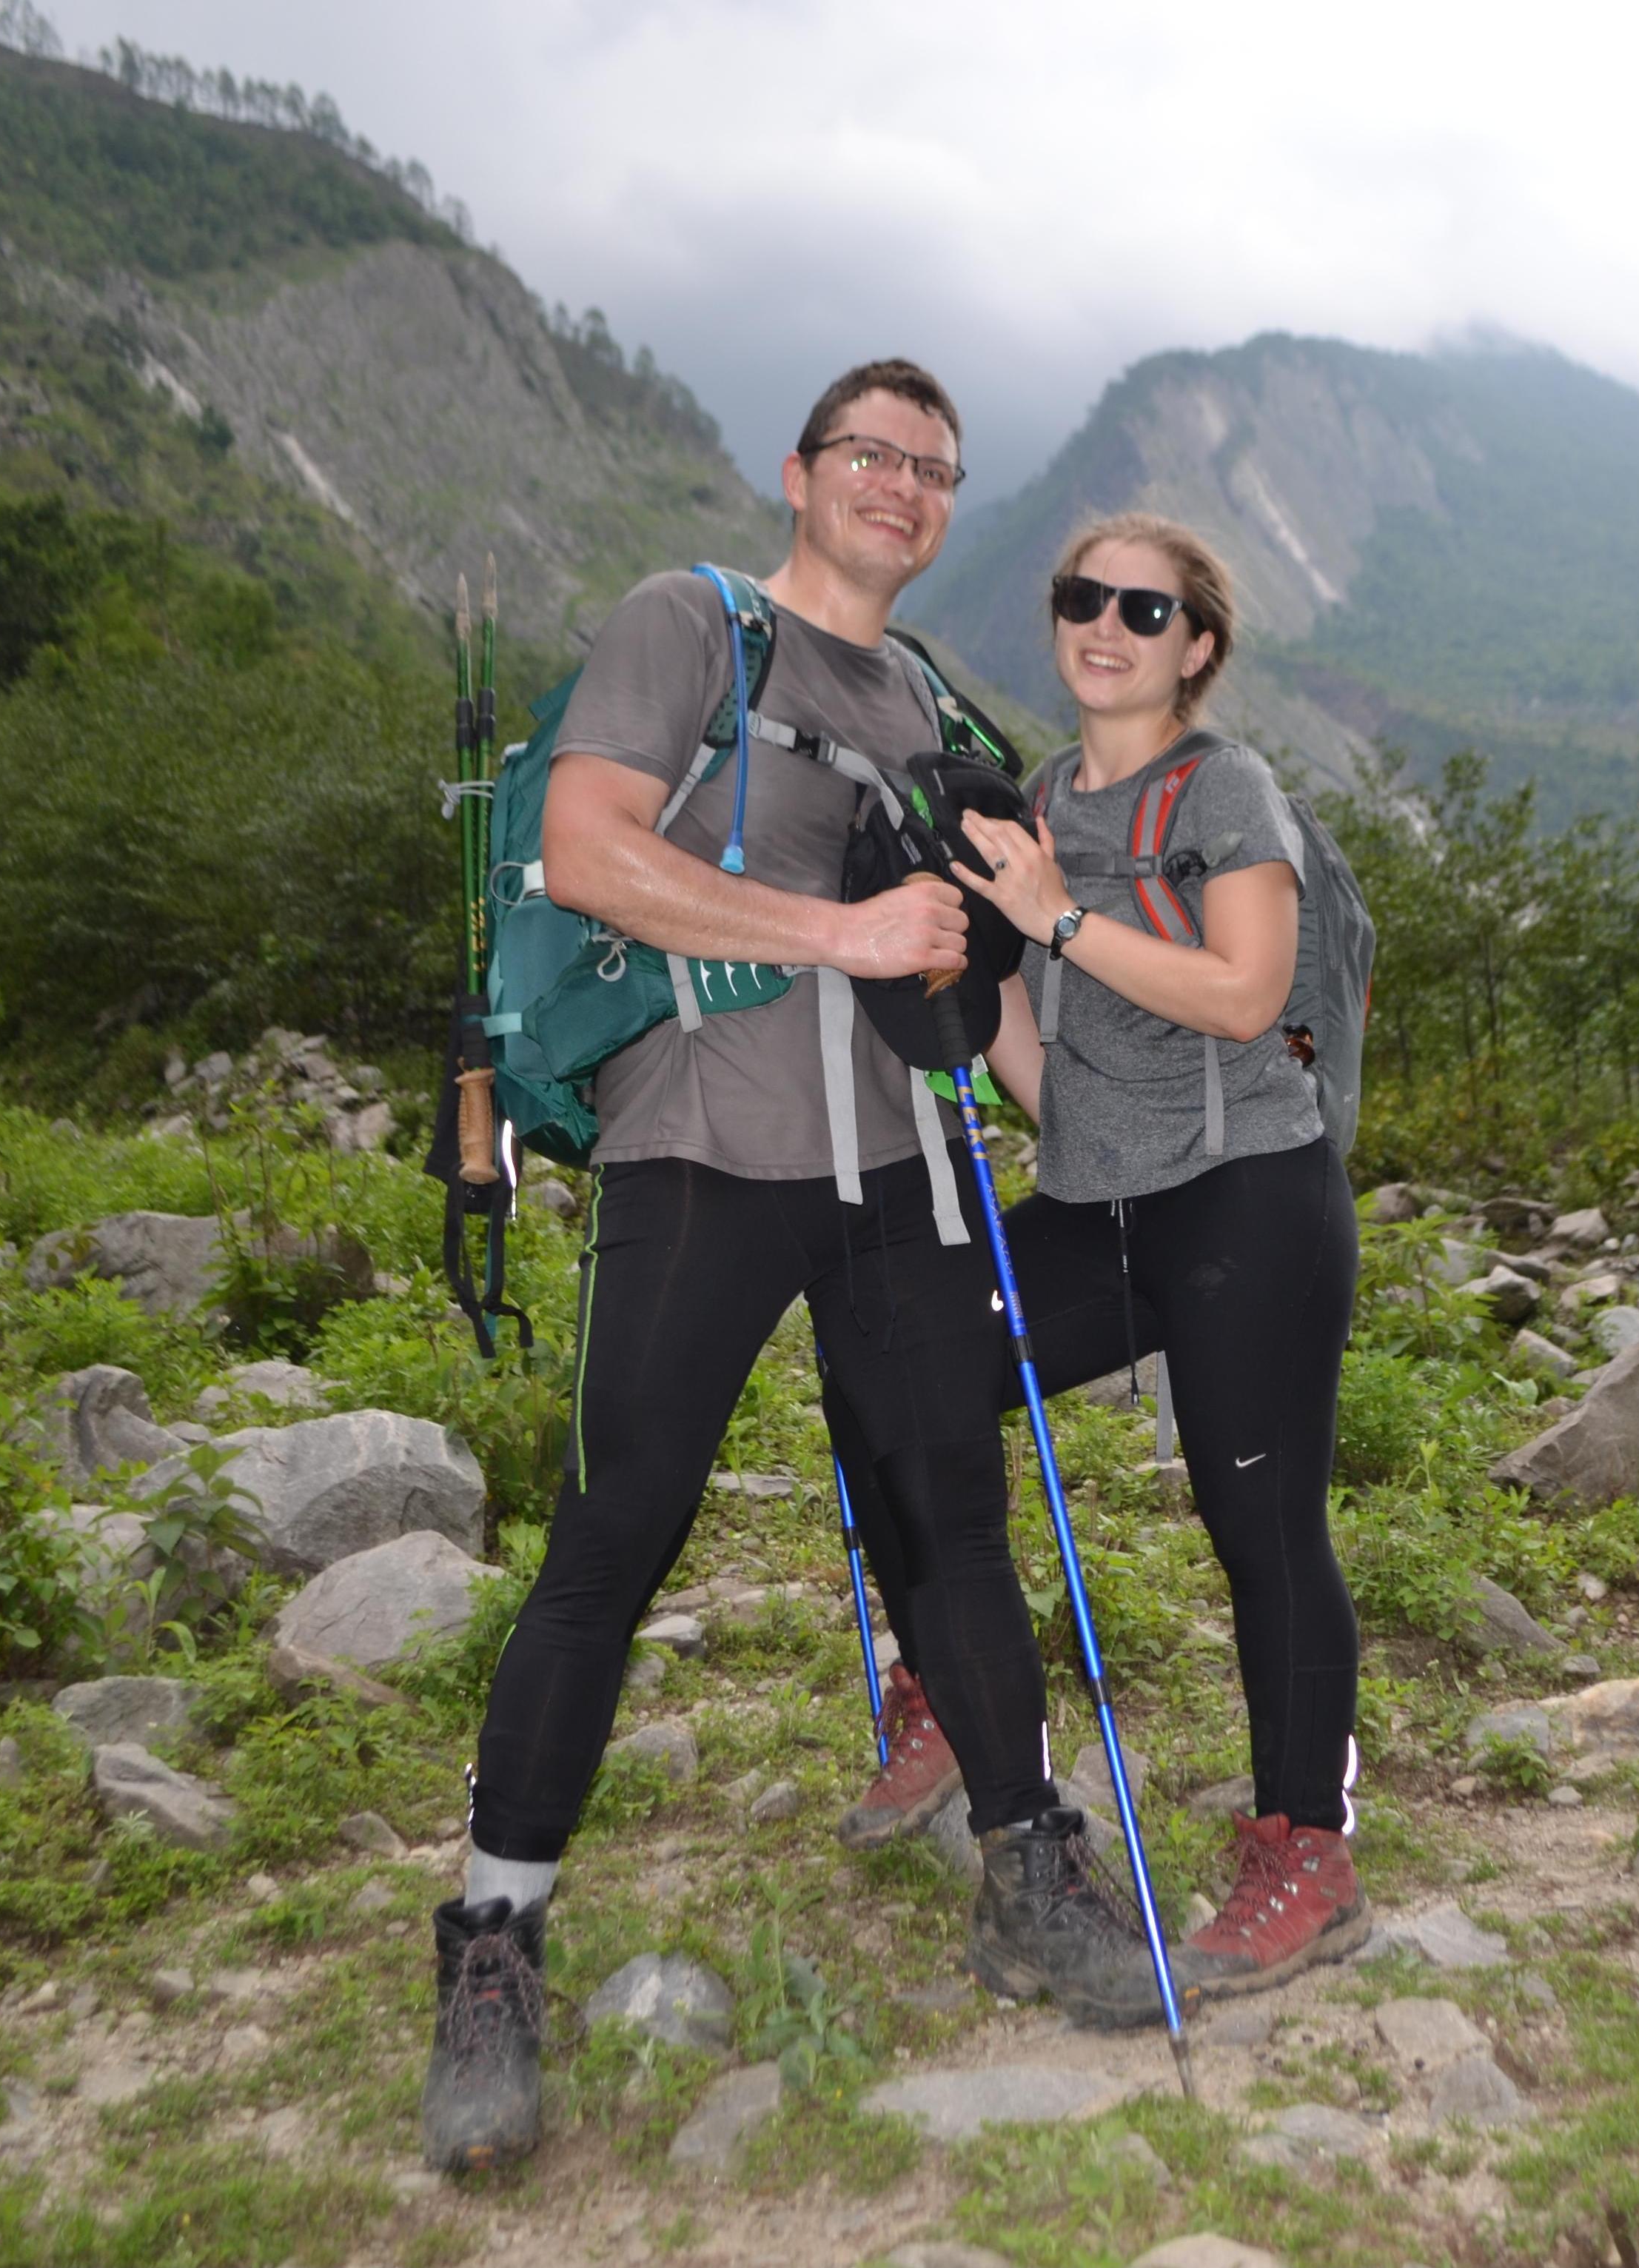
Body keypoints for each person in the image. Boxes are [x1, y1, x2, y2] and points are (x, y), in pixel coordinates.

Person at [422, 366, 1168, 2176]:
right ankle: (492, 1947)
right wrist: (833, 926)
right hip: (697, 1152)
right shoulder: (694, 627)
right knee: (617, 1532)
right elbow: (586, 850)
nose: (901, 487)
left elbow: (971, 986)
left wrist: (1134, 1140)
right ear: (801, 473)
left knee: (952, 1519)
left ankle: (1024, 1866)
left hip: (900, 1169)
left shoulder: (925, 698)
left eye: (933, 468)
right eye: (870, 456)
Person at [835, 511, 1368, 1997]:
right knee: (889, 1354)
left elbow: (1246, 991)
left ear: (1194, 648)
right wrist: (964, 965)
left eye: (1144, 610)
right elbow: (1034, 1066)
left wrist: (1052, 912)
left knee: (1257, 1521)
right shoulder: (1033, 800)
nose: (1105, 626)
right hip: (1098, 1200)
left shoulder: (1223, 786)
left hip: (1248, 1199)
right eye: (1082, 598)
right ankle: (949, 1685)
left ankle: (1305, 1852)